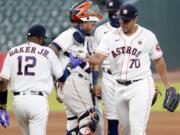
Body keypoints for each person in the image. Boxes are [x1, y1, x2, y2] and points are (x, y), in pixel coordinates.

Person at [79, 4, 177, 135]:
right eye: (121, 19)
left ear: (135, 19)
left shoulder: (148, 36)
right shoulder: (110, 36)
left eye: (126, 20)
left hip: (140, 86)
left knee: (137, 130)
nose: (123, 23)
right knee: (126, 130)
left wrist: (168, 87)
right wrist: (83, 57)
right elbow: (98, 58)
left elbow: (159, 61)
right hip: (118, 88)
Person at [0, 24, 81, 135]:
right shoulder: (48, 52)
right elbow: (62, 78)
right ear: (40, 38)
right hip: (37, 101)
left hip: (17, 102)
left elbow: (3, 81)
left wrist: (2, 107)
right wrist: (70, 65)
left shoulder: (12, 52)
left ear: (28, 37)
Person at [48, 0, 104, 134]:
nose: (94, 24)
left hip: (78, 82)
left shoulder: (87, 38)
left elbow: (93, 62)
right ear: (83, 21)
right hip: (73, 80)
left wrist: (94, 82)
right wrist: (57, 77)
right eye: (91, 21)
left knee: (74, 126)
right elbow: (50, 51)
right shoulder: (70, 33)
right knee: (90, 118)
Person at [93, 0, 122, 134]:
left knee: (129, 120)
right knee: (112, 118)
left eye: (115, 11)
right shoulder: (100, 30)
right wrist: (96, 82)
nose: (113, 14)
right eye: (110, 11)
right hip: (108, 77)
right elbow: (95, 59)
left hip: (126, 76)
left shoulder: (131, 29)